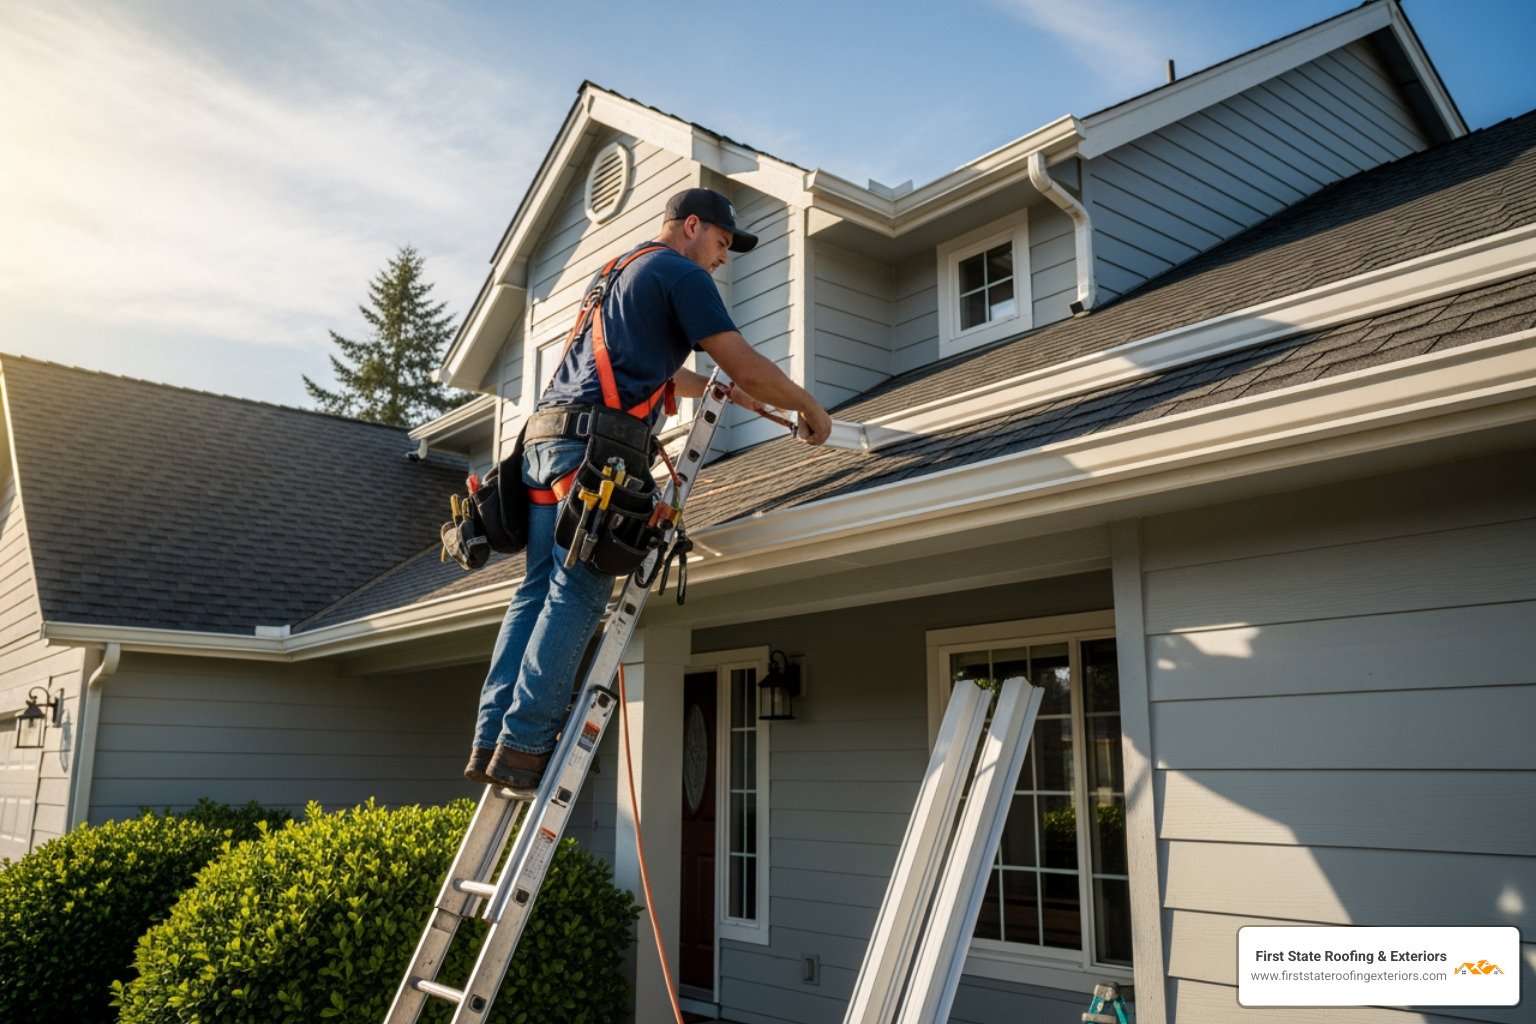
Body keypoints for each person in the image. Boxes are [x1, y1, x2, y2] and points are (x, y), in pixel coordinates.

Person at [466, 187, 833, 796]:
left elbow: (654, 370)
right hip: (592, 453)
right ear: (691, 226)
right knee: (580, 594)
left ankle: (494, 741)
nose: (722, 258)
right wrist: (807, 404)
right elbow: (741, 360)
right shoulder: (680, 274)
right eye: (720, 243)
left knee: (536, 592)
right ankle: (528, 745)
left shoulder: (619, 272)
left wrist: (727, 393)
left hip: (539, 448)